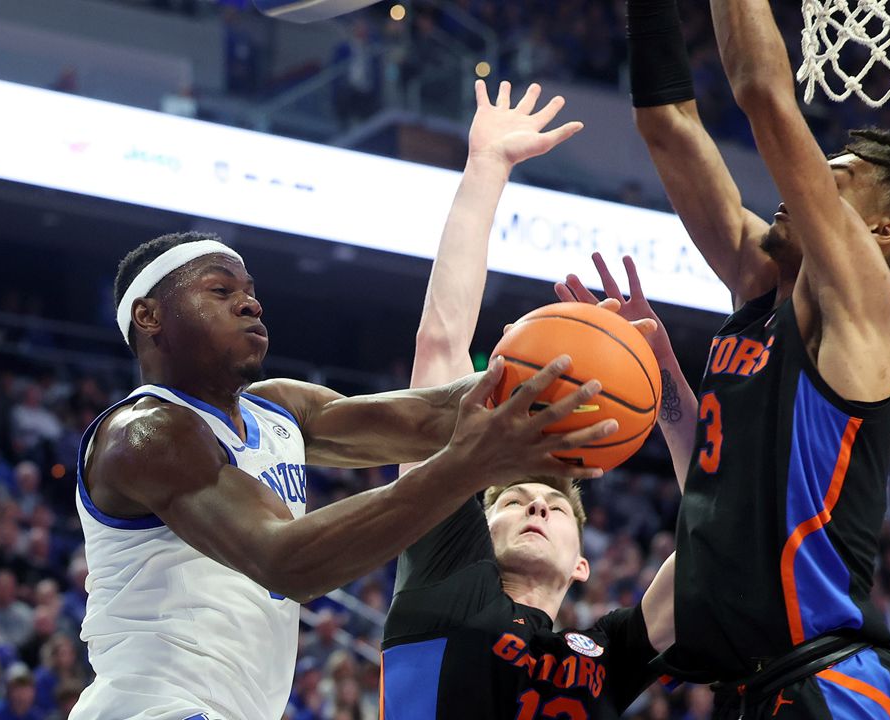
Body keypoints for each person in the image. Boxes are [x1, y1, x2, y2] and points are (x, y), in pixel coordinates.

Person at [71, 230, 617, 715]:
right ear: (149, 317)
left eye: (251, 291)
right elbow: (285, 561)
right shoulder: (146, 434)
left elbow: (427, 415)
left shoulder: (279, 409)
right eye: (221, 291)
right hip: (152, 705)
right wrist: (466, 465)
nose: (250, 304)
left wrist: (567, 367)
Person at [623, 0, 890, 715]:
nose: (804, 184)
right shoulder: (759, 289)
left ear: (881, 230)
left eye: (833, 178)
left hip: (831, 683)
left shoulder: (862, 309)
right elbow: (666, 128)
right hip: (756, 688)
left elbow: (764, 94)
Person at [379, 80, 697, 718]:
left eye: (554, 504)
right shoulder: (450, 574)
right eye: (513, 500)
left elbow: (720, 530)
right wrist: (486, 167)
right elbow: (440, 349)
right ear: (478, 530)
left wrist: (663, 379)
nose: (535, 507)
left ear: (583, 564)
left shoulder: (607, 653)